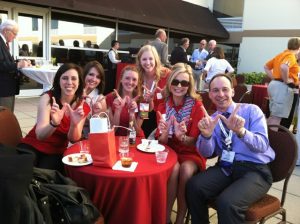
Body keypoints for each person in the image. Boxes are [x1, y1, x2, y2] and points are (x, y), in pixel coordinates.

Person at [186, 74, 275, 224]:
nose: (220, 94)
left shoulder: (252, 111)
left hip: (255, 170)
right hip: (226, 167)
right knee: (194, 187)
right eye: (215, 90)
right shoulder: (213, 119)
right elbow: (207, 154)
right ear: (210, 94)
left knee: (227, 203)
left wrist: (241, 132)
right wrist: (206, 136)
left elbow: (262, 146)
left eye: (225, 89)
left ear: (232, 92)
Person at [155, 63, 206, 224]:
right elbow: (162, 142)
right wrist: (164, 133)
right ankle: (165, 218)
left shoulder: (196, 105)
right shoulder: (163, 105)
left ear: (189, 85)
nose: (179, 86)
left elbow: (195, 142)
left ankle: (179, 220)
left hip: (190, 152)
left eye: (184, 83)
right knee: (174, 168)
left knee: (184, 170)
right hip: (170, 150)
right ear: (169, 83)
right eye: (175, 81)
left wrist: (182, 137)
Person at [18, 63, 90, 173]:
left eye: (74, 79)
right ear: (58, 81)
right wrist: (54, 123)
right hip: (32, 144)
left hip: (56, 151)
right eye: (65, 78)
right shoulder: (48, 98)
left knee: (45, 177)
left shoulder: (82, 106)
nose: (69, 82)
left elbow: (73, 139)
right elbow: (40, 135)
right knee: (21, 171)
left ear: (79, 82)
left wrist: (74, 124)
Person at [264, 37, 300, 128]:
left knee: (273, 116)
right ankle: (270, 140)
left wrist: (275, 78)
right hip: (282, 88)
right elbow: (284, 67)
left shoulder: (281, 54)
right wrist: (286, 80)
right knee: (276, 118)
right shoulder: (291, 56)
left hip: (275, 85)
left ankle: (263, 136)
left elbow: (266, 67)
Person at [136, 44, 171, 137]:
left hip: (163, 116)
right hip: (143, 113)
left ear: (156, 59)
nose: (148, 62)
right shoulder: (137, 77)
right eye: (144, 59)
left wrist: (167, 94)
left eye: (151, 59)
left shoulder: (166, 74)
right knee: (141, 139)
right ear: (139, 61)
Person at [0, 19, 31, 112]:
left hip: (7, 88)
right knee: (4, 117)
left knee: (7, 115)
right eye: (14, 33)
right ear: (5, 30)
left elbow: (5, 60)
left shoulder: (3, 42)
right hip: (3, 89)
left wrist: (19, 62)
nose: (15, 36)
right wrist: (18, 65)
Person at [106, 65, 144, 137]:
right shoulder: (109, 98)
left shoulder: (144, 101)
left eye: (134, 79)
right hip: (116, 139)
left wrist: (132, 114)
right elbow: (112, 130)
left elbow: (137, 131)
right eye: (127, 78)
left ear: (137, 82)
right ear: (121, 79)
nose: (130, 82)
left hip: (136, 140)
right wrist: (118, 110)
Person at [82, 60, 107, 138]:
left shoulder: (100, 99)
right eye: (91, 74)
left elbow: (99, 131)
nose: (94, 79)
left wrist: (94, 115)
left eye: (98, 77)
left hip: (86, 138)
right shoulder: (73, 91)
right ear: (84, 75)